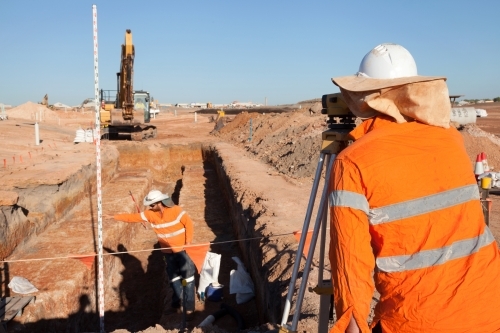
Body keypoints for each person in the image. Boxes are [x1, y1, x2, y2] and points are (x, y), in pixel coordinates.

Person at [328, 43, 500, 333]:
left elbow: (350, 262)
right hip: (488, 306)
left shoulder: (353, 162)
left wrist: (352, 324)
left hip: (417, 320)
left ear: (364, 98)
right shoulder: (451, 140)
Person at [113, 189, 196, 314]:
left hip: (182, 251)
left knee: (188, 278)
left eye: (152, 205)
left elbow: (189, 224)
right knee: (174, 279)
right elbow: (132, 218)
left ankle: (189, 308)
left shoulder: (176, 211)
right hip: (168, 253)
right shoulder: (150, 214)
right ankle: (178, 303)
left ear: (159, 202)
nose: (150, 207)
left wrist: (188, 242)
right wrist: (114, 217)